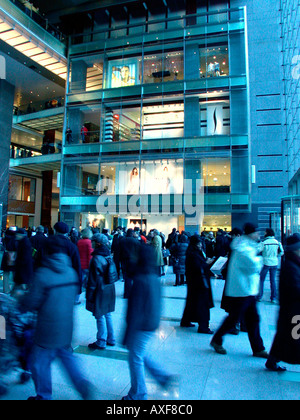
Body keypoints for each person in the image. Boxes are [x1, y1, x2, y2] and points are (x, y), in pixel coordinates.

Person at [20, 236, 94, 400]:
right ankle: (82, 383)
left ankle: (44, 395)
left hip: (47, 328)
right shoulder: (71, 272)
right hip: (67, 325)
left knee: (39, 363)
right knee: (67, 356)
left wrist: (22, 300)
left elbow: (32, 302)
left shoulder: (43, 274)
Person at [122, 243, 175, 400]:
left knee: (135, 357)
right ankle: (162, 377)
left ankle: (138, 394)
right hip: (151, 321)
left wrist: (128, 334)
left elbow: (135, 310)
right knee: (140, 353)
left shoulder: (140, 279)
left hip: (141, 325)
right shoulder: (153, 276)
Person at [210, 223, 268, 358]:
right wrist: (260, 259)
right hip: (241, 290)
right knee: (234, 318)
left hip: (248, 290)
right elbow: (253, 265)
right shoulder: (242, 248)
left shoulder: (245, 245)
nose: (258, 235)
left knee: (252, 319)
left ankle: (258, 348)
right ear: (250, 233)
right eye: (256, 233)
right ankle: (216, 340)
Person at [265, 233, 300, 372]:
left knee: (283, 335)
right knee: (293, 336)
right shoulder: (291, 266)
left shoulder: (292, 262)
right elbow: (294, 288)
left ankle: (272, 359)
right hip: (293, 310)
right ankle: (274, 359)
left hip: (290, 309)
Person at [86, 234, 117, 350]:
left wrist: (89, 295)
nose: (91, 243)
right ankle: (111, 338)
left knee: (99, 315)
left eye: (92, 241)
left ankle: (101, 341)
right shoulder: (108, 255)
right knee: (107, 314)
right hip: (109, 288)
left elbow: (93, 280)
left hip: (100, 289)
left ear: (97, 243)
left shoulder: (96, 258)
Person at [180, 235, 215, 334]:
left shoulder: (193, 253)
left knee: (191, 301)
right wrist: (206, 263)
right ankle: (203, 326)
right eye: (198, 243)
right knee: (202, 304)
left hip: (194, 282)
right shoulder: (193, 254)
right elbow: (197, 267)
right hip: (199, 283)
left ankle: (186, 320)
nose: (200, 245)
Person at [53, 222, 82, 305]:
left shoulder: (46, 243)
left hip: (48, 282)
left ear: (55, 230)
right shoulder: (72, 247)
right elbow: (77, 266)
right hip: (66, 281)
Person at [257, 228, 284, 303]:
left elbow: (258, 250)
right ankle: (273, 298)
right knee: (273, 281)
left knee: (261, 280)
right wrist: (276, 255)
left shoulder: (264, 242)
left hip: (266, 262)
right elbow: (282, 252)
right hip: (274, 262)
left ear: (266, 233)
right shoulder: (277, 242)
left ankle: (259, 296)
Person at [119, 229, 140, 298]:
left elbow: (119, 251)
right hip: (133, 260)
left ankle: (126, 293)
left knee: (127, 277)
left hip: (124, 260)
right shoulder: (135, 241)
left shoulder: (122, 240)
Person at [1, 227, 18, 293]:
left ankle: (6, 289)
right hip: (13, 256)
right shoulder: (14, 238)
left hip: (6, 255)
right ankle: (14, 289)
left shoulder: (5, 237)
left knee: (6, 273)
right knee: (14, 273)